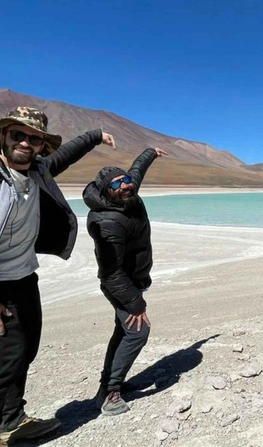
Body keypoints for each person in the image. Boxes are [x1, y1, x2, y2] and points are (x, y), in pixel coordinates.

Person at [0, 107, 116, 447]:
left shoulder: (38, 169)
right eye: (18, 135)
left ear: (42, 145)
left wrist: (95, 136)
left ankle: (12, 419)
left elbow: (67, 155)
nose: (26, 143)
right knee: (5, 358)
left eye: (34, 138)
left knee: (25, 351)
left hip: (21, 278)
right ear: (2, 136)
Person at [82, 146, 167, 415]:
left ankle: (108, 384)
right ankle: (110, 393)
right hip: (120, 283)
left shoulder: (128, 192)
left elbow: (136, 170)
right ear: (107, 191)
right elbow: (110, 272)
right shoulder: (108, 222)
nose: (125, 185)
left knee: (122, 332)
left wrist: (150, 152)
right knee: (137, 331)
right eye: (117, 184)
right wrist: (135, 302)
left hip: (133, 279)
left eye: (125, 180)